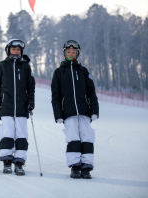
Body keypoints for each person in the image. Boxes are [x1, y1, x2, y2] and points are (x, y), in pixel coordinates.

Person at [51, 40, 99, 179]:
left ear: (77, 54)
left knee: (87, 137)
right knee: (73, 138)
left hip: (84, 111)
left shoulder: (83, 71)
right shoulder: (59, 72)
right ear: (64, 53)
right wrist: (58, 114)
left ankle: (87, 167)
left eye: (73, 52)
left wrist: (94, 110)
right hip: (68, 112)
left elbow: (91, 92)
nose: (71, 54)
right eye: (68, 52)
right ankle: (75, 167)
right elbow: (56, 95)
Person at [0, 39, 36, 176]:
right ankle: (7, 162)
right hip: (6, 106)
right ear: (8, 50)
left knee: (21, 134)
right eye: (13, 49)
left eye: (18, 50)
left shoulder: (25, 66)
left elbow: (30, 86)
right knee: (7, 133)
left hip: (22, 107)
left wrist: (31, 101)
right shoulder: (2, 66)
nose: (16, 51)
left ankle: (19, 163)